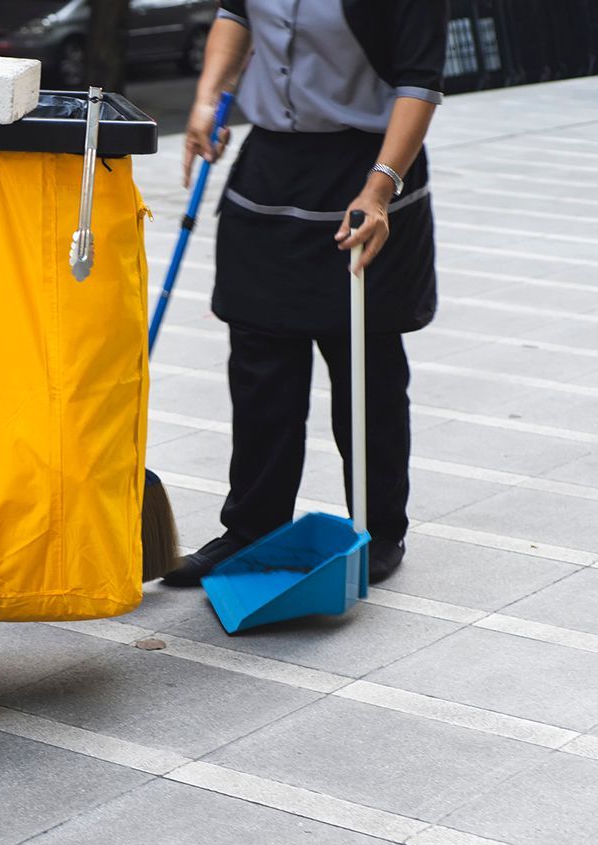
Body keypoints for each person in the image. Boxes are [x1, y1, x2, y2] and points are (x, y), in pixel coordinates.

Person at [161, 0, 447, 588]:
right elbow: (235, 15)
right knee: (260, 366)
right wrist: (206, 101)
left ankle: (378, 527)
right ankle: (252, 529)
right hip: (271, 167)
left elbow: (420, 82)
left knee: (365, 372)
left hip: (368, 166)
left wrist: (380, 187)